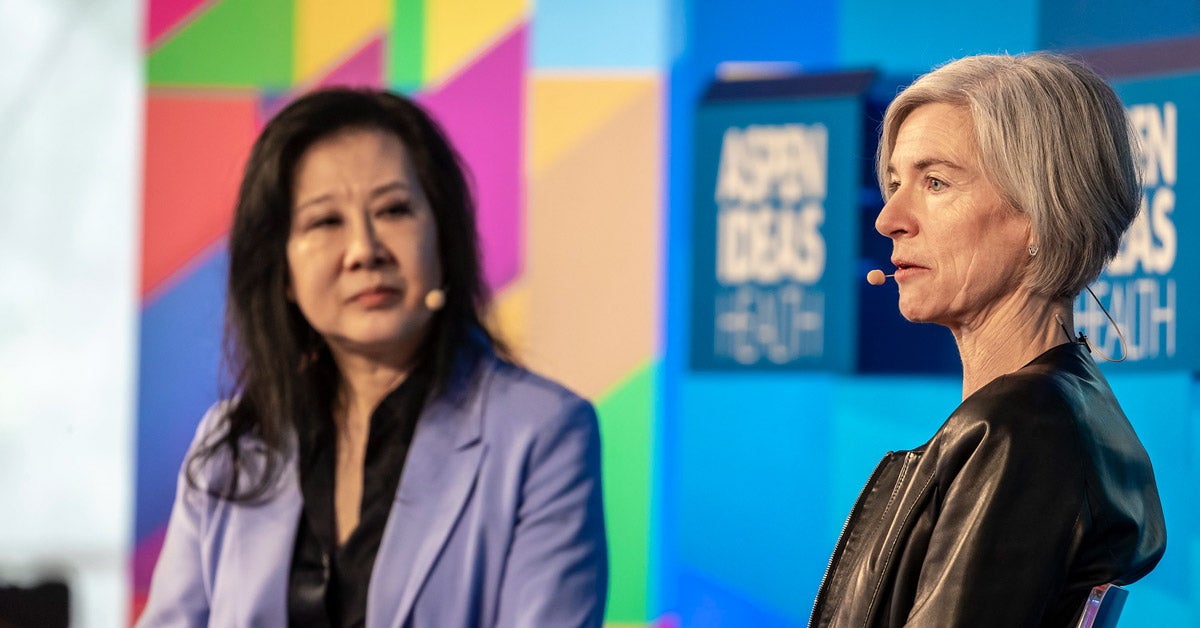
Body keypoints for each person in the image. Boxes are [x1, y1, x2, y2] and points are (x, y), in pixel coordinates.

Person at [138, 88, 608, 626]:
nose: (365, 249)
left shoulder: (541, 434)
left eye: (393, 210)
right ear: (282, 271)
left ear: (443, 240)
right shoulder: (232, 444)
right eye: (325, 222)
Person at [810, 53, 1166, 627]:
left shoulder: (1021, 433)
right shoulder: (1053, 412)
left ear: (1039, 213)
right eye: (895, 182)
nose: (889, 217)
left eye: (935, 182)